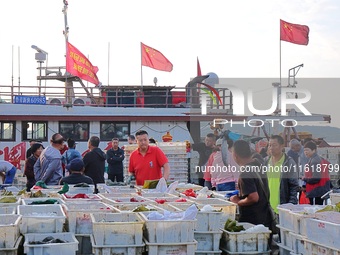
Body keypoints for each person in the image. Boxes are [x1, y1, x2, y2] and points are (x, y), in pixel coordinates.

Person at [230, 140, 272, 228]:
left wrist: (238, 201)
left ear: (235, 156)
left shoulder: (245, 173)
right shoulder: (258, 162)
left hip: (252, 222)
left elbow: (253, 197)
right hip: (265, 217)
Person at [264, 135, 299, 214]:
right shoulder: (265, 162)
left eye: (274, 145)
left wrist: (291, 206)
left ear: (282, 146)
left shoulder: (289, 163)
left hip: (282, 208)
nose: (271, 148)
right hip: (267, 209)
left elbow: (294, 186)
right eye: (269, 145)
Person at [302, 141, 331, 205]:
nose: (305, 152)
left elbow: (316, 178)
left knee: (315, 210)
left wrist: (304, 179)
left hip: (316, 191)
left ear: (314, 150)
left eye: (307, 150)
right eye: (304, 150)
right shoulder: (316, 158)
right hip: (320, 190)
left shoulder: (314, 161)